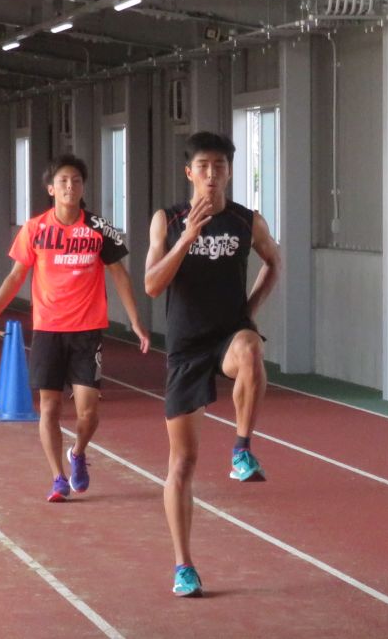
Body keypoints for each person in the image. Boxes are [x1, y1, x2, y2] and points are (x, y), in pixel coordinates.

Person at [144, 131, 280, 597]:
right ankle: (183, 566)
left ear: (229, 172)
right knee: (181, 463)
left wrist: (249, 312)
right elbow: (152, 285)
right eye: (202, 166)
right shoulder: (168, 219)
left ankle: (242, 448)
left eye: (219, 166)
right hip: (185, 348)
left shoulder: (246, 221)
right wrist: (186, 239)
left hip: (226, 336)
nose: (211, 174)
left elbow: (274, 262)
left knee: (251, 350)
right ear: (189, 172)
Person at [0, 154, 150, 502]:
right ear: (51, 188)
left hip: (87, 332)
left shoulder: (100, 227)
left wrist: (136, 321)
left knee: (89, 412)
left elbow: (120, 275)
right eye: (63, 181)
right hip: (48, 331)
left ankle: (78, 453)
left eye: (77, 181)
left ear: (83, 188)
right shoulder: (35, 228)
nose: (70, 186)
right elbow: (16, 275)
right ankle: (57, 478)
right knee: (49, 408)